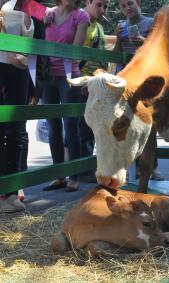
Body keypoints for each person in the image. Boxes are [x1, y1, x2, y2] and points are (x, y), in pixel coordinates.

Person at [41, 0, 89, 192]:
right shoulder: (48, 14)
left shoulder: (81, 16)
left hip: (69, 76)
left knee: (71, 126)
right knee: (52, 126)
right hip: (47, 75)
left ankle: (74, 176)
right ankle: (58, 176)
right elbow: (36, 38)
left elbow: (75, 51)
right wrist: (40, 22)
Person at [114, 0, 163, 180]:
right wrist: (119, 38)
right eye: (123, 6)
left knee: (149, 127)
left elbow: (157, 51)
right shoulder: (120, 25)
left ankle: (152, 168)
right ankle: (130, 169)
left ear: (139, 3)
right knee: (128, 127)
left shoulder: (151, 23)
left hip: (147, 82)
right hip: (128, 81)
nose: (127, 8)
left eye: (130, 4)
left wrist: (143, 41)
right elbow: (116, 53)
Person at [0, 0, 34, 213]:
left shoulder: (22, 5)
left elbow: (29, 39)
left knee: (17, 128)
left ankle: (12, 191)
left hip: (18, 70)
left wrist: (29, 21)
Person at [78, 0, 109, 183]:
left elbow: (102, 59)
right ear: (88, 2)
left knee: (89, 128)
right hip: (76, 81)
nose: (102, 9)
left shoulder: (99, 28)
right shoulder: (77, 20)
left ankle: (87, 169)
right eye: (99, 4)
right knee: (75, 129)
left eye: (105, 6)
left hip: (93, 85)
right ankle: (76, 170)